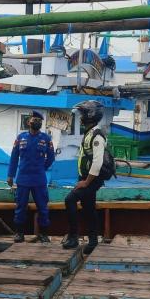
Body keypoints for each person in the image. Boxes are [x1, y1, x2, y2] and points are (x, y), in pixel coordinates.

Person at [61, 100, 106, 254]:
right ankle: (92, 241)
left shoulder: (97, 135)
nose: (80, 118)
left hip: (92, 179)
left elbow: (97, 163)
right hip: (87, 177)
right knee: (88, 207)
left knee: (70, 199)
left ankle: (73, 237)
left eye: (83, 114)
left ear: (90, 115)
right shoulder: (89, 132)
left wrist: (86, 182)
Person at [7, 110, 55, 243]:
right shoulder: (20, 137)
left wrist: (42, 168)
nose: (37, 123)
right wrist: (10, 175)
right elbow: (14, 157)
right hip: (22, 179)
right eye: (34, 120)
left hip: (39, 179)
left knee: (43, 207)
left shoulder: (46, 139)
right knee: (20, 206)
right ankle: (19, 233)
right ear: (29, 122)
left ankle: (44, 234)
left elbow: (51, 157)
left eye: (39, 121)